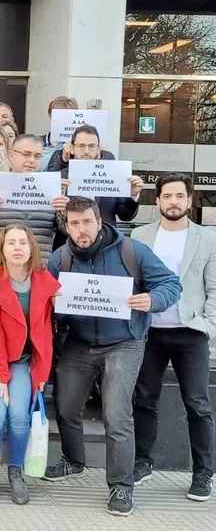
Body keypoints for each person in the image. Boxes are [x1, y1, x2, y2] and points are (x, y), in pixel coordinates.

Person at [44, 196, 182, 516]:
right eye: (74, 223)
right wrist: (50, 303)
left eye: (87, 222)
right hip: (78, 341)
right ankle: (73, 461)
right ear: (66, 226)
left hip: (124, 341)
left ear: (99, 220)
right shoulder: (59, 259)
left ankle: (121, 484)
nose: (82, 229)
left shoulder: (132, 251)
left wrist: (152, 299)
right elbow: (44, 303)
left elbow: (170, 284)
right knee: (65, 408)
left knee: (117, 414)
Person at [131, 172, 216, 501]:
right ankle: (142, 462)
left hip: (191, 332)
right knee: (144, 399)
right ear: (158, 200)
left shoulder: (207, 238)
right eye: (167, 196)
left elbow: (213, 287)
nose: (174, 201)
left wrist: (207, 326)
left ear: (189, 200)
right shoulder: (139, 236)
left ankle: (203, 472)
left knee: (198, 404)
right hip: (149, 331)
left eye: (180, 196)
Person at [0, 224, 59, 505]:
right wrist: (1, 377)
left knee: (19, 417)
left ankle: (15, 472)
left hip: (22, 360)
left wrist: (41, 372)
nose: (17, 247)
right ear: (1, 249)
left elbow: (43, 333)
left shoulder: (43, 281)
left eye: (23, 242)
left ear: (31, 249)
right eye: (11, 242)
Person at [0, 134, 71, 262]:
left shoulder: (50, 189)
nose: (32, 160)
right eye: (26, 154)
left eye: (37, 156)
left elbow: (67, 232)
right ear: (11, 155)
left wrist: (66, 212)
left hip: (38, 268)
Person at [56, 125, 141, 227]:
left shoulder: (114, 175)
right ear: (72, 149)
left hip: (107, 240)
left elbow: (125, 216)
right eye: (81, 146)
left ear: (98, 149)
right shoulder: (60, 178)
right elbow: (52, 223)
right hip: (69, 239)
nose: (86, 151)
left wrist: (133, 195)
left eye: (91, 146)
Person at [39, 96, 79, 171]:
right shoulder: (37, 142)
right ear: (50, 116)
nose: (64, 120)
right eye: (60, 116)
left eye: (68, 116)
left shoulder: (79, 145)